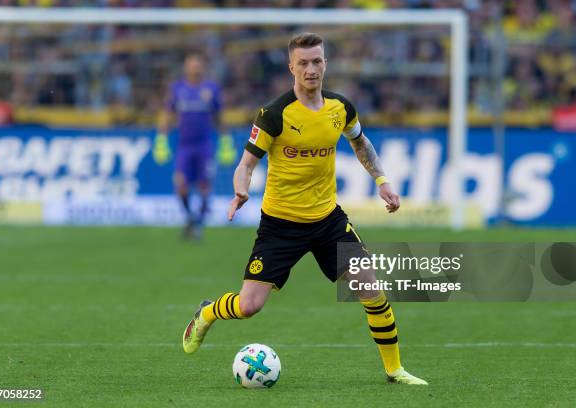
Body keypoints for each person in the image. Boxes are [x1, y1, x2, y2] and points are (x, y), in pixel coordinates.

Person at [181, 33, 427, 385]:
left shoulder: (340, 108)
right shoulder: (275, 114)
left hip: (328, 220)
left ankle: (394, 370)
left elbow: (361, 144)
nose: (311, 69)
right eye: (304, 63)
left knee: (370, 289)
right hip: (280, 225)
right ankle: (207, 313)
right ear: (291, 67)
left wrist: (382, 180)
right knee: (249, 306)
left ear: (325, 64)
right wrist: (240, 189)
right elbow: (246, 164)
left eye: (317, 61)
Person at [156, 52, 224, 240]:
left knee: (204, 185)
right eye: (191, 65)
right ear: (186, 68)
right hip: (184, 146)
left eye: (197, 65)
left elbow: (219, 117)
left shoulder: (211, 89)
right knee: (180, 184)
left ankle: (198, 223)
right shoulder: (177, 89)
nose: (194, 68)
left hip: (204, 146)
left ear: (202, 67)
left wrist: (225, 141)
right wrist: (161, 139)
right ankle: (190, 218)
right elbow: (168, 114)